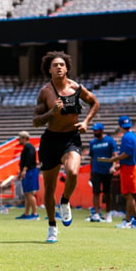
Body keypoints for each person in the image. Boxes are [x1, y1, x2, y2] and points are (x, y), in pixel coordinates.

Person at [32, 51, 99, 243]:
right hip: (51, 140)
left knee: (73, 172)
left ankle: (65, 201)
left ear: (67, 68)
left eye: (62, 64)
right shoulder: (45, 92)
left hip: (71, 138)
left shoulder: (76, 88)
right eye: (55, 65)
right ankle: (52, 227)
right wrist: (52, 112)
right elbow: (35, 121)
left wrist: (86, 121)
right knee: (49, 187)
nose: (59, 67)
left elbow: (95, 102)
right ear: (49, 69)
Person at [99, 116, 136, 228]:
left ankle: (131, 219)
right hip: (128, 167)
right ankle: (132, 219)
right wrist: (118, 166)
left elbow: (127, 153)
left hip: (129, 168)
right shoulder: (131, 136)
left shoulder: (127, 137)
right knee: (128, 194)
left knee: (128, 194)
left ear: (120, 126)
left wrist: (115, 159)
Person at [88, 122, 117, 223]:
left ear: (101, 130)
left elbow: (114, 154)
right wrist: (91, 172)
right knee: (96, 192)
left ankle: (108, 213)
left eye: (96, 130)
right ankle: (96, 213)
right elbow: (91, 158)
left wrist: (113, 166)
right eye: (94, 130)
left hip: (107, 170)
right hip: (96, 170)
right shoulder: (92, 143)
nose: (94, 132)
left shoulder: (109, 141)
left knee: (107, 193)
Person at [15, 131, 40, 220]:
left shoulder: (29, 148)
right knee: (26, 194)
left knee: (29, 193)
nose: (19, 140)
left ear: (25, 138)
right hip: (28, 171)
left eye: (20, 138)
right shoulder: (27, 147)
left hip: (30, 171)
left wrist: (24, 170)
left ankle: (35, 213)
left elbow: (28, 160)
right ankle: (26, 213)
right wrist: (20, 172)